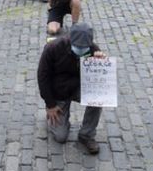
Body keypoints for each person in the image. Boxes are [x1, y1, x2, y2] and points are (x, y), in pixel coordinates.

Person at [37, 23, 106, 155]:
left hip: (78, 87)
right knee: (60, 137)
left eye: (84, 47)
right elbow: (42, 77)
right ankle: (55, 119)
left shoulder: (92, 49)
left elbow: (99, 78)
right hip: (59, 92)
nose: (81, 49)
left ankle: (87, 134)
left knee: (97, 99)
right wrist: (50, 105)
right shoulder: (53, 48)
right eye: (78, 47)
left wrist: (100, 62)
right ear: (70, 40)